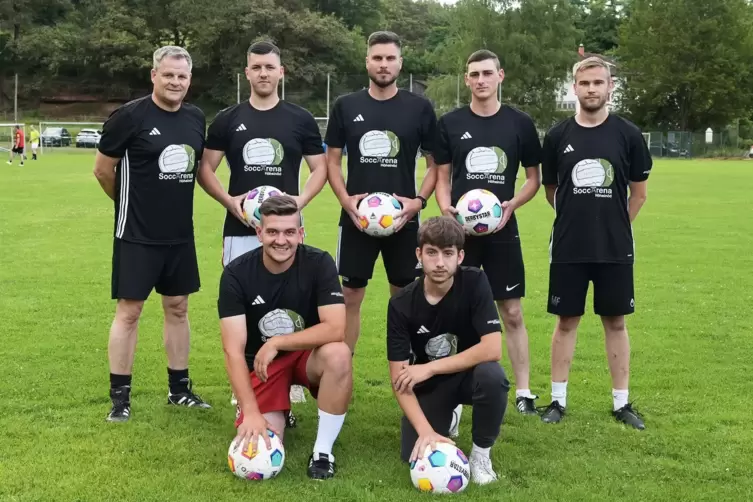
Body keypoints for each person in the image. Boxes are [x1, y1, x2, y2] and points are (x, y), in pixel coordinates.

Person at [199, 40, 328, 422]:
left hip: (285, 230)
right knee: (243, 309)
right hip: (241, 230)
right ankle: (248, 391)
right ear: (247, 73)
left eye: (270, 67)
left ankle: (285, 385)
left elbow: (319, 168)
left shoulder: (300, 118)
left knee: (288, 305)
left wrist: (299, 203)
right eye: (256, 67)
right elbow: (206, 169)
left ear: (281, 72)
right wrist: (231, 202)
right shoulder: (227, 118)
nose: (263, 73)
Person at [93, 45, 210, 422]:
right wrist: (130, 206)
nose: (175, 82)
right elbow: (102, 170)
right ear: (154, 75)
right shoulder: (129, 117)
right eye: (169, 74)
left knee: (178, 308)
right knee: (130, 312)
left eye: (182, 76)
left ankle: (179, 390)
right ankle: (120, 398)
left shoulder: (195, 118)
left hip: (180, 235)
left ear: (189, 81)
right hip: (137, 234)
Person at [539, 56, 651, 429]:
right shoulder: (557, 136)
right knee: (566, 320)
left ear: (610, 87)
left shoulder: (629, 135)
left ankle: (621, 404)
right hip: (569, 246)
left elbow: (638, 195)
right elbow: (551, 191)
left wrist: (613, 225)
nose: (591, 89)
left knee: (615, 321)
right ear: (574, 87)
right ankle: (557, 401)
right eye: (584, 83)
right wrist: (577, 218)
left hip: (615, 248)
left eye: (598, 83)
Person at [434, 50, 542, 431]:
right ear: (466, 80)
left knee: (511, 311)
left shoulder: (519, 123)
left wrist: (512, 204)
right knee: (455, 313)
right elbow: (443, 177)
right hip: (460, 233)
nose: (480, 80)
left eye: (487, 73)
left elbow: (533, 178)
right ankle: (454, 396)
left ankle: (525, 393)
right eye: (473, 74)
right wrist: (447, 209)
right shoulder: (450, 123)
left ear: (501, 76)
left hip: (501, 229)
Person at [219, 195, 352, 480]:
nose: (282, 240)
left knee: (339, 354)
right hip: (263, 366)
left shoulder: (320, 263)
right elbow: (232, 350)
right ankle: (274, 409)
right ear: (259, 233)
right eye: (273, 232)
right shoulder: (236, 274)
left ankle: (323, 451)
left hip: (307, 357)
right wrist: (251, 411)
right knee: (264, 442)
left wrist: (277, 342)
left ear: (301, 234)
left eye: (290, 232)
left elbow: (335, 328)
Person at [325, 30, 438, 353]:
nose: (384, 64)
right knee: (349, 296)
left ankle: (412, 368)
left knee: (406, 297)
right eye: (377, 58)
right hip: (357, 218)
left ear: (400, 63)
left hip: (403, 219)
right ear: (367, 62)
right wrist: (346, 200)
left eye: (390, 58)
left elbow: (435, 166)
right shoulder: (346, 106)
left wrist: (418, 202)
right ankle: (340, 367)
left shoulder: (420, 108)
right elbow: (332, 161)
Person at [387, 216, 509, 485]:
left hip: (467, 375)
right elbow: (399, 378)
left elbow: (492, 348)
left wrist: (428, 367)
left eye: (448, 253)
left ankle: (480, 455)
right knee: (412, 452)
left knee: (493, 376)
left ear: (460, 255)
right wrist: (425, 431)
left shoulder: (476, 282)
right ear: (419, 254)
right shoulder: (400, 303)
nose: (440, 263)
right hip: (429, 385)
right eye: (431, 252)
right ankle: (447, 416)